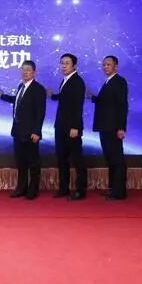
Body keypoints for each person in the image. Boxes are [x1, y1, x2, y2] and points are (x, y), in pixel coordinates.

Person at [0, 60, 46, 200]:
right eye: (23, 69)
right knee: (21, 162)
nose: (25, 72)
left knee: (33, 162)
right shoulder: (21, 86)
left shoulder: (38, 89)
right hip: (18, 131)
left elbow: (40, 112)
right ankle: (21, 188)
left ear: (34, 72)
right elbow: (18, 101)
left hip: (31, 133)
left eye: (28, 70)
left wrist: (37, 131)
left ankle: (33, 190)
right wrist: (3, 96)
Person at [48, 53, 88, 200]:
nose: (63, 66)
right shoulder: (65, 80)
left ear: (74, 65)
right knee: (61, 158)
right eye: (62, 63)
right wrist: (53, 96)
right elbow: (65, 98)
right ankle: (63, 188)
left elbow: (77, 106)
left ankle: (80, 190)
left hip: (72, 128)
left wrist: (75, 127)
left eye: (67, 63)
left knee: (77, 159)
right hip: (60, 126)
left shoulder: (77, 82)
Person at [88, 55, 128, 200]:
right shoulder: (108, 81)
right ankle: (113, 189)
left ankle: (119, 191)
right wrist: (93, 98)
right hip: (105, 126)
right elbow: (106, 102)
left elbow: (122, 105)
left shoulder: (119, 81)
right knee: (110, 158)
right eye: (104, 64)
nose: (105, 67)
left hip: (113, 127)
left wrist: (121, 127)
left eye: (108, 64)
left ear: (116, 66)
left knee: (116, 159)